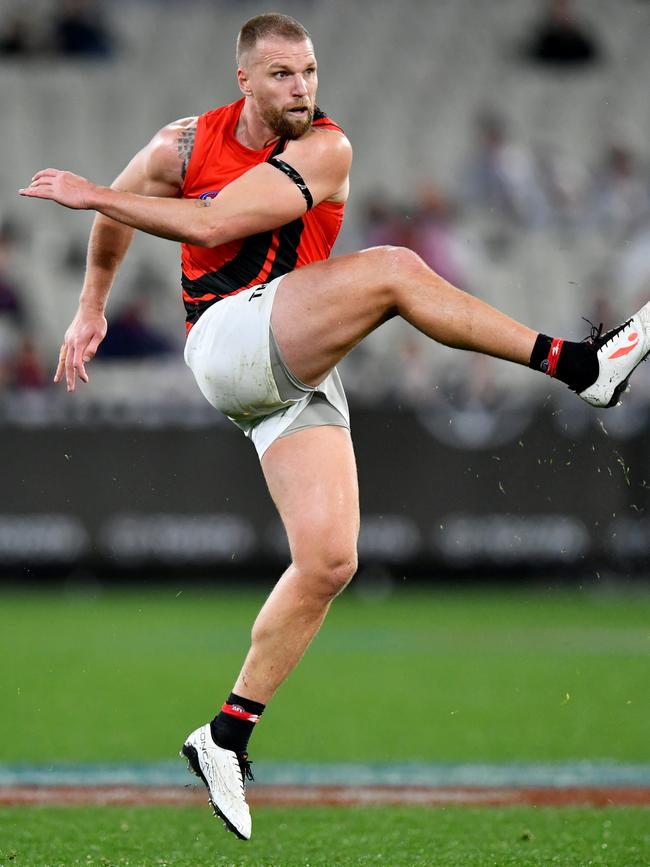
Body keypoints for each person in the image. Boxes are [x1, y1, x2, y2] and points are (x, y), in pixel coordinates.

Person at [18, 13, 650, 841]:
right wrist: (89, 306)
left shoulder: (327, 148)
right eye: (281, 74)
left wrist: (95, 192)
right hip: (228, 339)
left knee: (328, 559)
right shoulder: (183, 145)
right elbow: (128, 216)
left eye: (309, 72)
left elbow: (202, 223)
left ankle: (225, 734)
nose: (302, 88)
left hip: (287, 361)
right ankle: (579, 366)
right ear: (243, 79)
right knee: (392, 271)